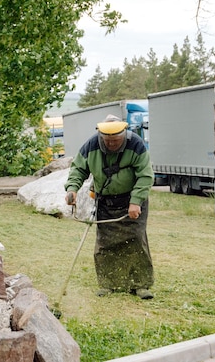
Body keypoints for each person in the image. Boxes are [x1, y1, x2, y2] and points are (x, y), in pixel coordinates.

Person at [64, 114, 155, 299]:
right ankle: (108, 283)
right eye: (107, 141)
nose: (112, 144)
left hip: (132, 202)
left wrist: (136, 201)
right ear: (101, 136)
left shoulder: (136, 144)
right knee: (105, 244)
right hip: (105, 202)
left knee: (137, 241)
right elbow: (78, 169)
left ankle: (140, 285)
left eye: (116, 141)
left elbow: (145, 175)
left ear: (124, 135)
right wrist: (72, 189)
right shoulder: (91, 145)